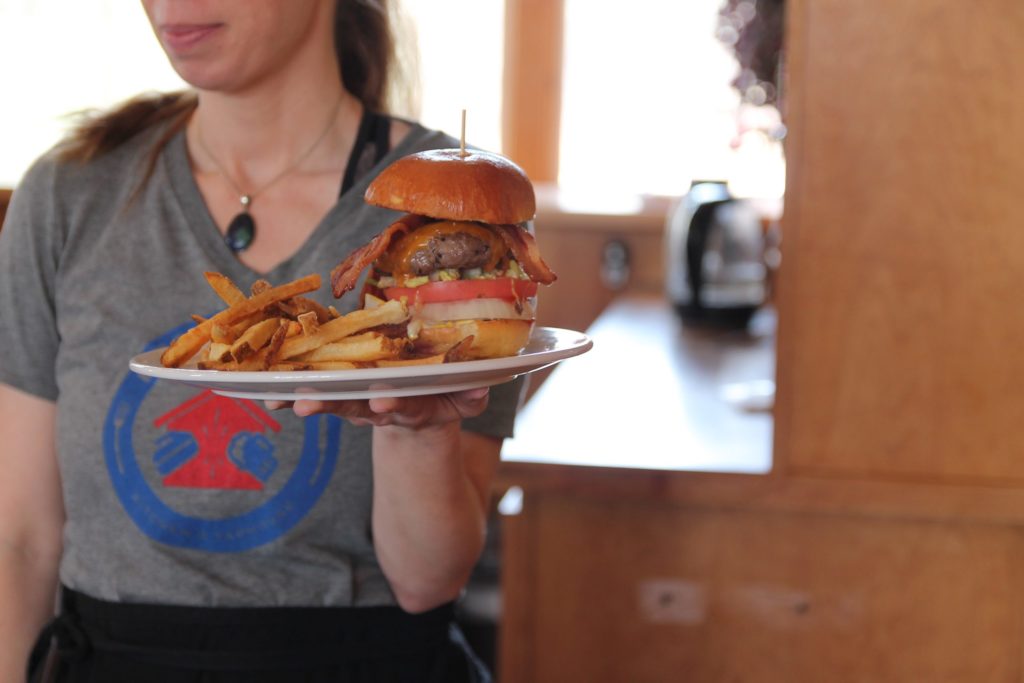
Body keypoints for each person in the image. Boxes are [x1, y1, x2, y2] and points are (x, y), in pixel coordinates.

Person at [0, 1, 522, 680]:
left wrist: (416, 428)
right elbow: (20, 541)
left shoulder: (449, 204)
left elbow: (428, 582)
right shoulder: (69, 194)